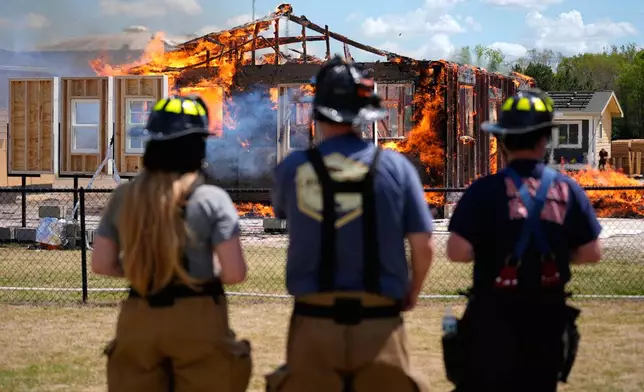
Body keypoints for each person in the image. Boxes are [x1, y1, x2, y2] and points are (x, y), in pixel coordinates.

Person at [266, 55, 435, 392]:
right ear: (367, 113)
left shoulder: (292, 169)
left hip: (313, 323)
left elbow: (285, 213)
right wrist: (412, 292)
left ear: (318, 110)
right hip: (380, 324)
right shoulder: (396, 168)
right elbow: (424, 246)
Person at [443, 89, 602, 392]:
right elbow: (592, 252)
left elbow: (457, 251)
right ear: (545, 139)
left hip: (492, 321)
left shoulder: (482, 191)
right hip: (547, 322)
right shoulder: (568, 190)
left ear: (502, 140)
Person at [91, 95, 252, 392]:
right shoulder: (211, 199)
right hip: (199, 316)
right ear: (198, 146)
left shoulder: (125, 196)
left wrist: (149, 266)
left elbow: (101, 264)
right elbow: (234, 273)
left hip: (139, 314)